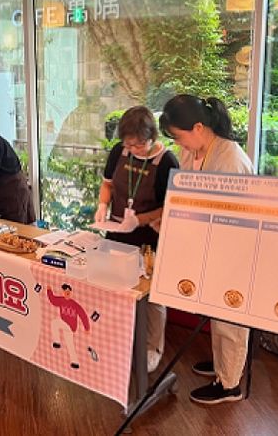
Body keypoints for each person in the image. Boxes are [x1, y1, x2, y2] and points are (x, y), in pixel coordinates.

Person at [158, 94, 253, 404]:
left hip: (233, 247)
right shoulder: (194, 151)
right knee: (216, 310)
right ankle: (222, 365)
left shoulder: (230, 159)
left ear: (198, 127)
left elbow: (235, 216)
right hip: (209, 243)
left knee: (230, 315)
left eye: (178, 136)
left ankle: (230, 384)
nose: (177, 143)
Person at [94, 106, 179, 373]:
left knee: (151, 296)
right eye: (129, 144)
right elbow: (108, 183)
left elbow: (171, 206)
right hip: (116, 232)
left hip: (149, 238)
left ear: (152, 136)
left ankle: (153, 348)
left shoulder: (167, 162)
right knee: (113, 286)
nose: (134, 149)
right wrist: (102, 206)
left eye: (140, 144)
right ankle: (117, 341)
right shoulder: (119, 152)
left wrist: (139, 220)